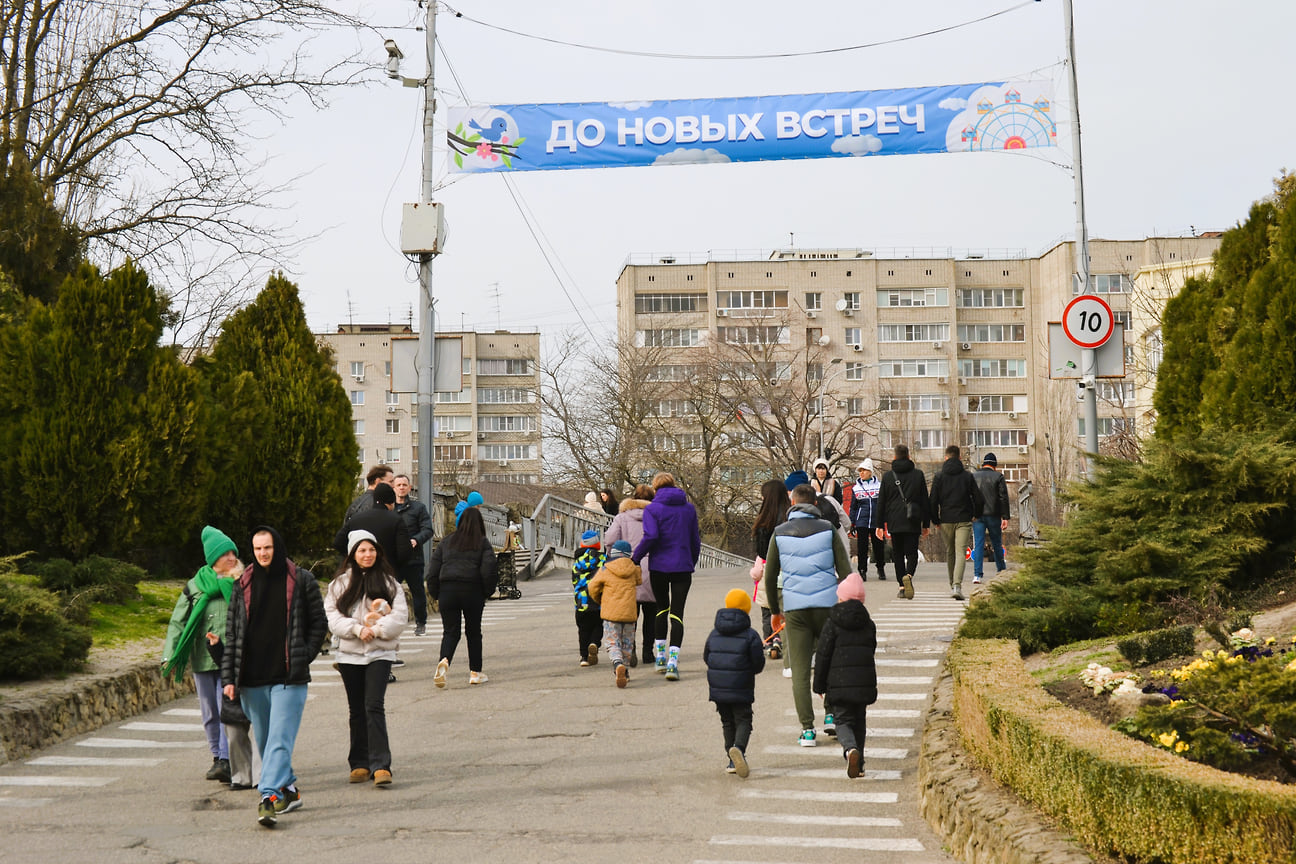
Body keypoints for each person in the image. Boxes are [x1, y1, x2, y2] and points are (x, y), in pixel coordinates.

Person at [221, 526, 327, 828]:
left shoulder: (301, 580)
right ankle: (289, 790)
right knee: (267, 743)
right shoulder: (243, 583)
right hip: (252, 679)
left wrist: (303, 655)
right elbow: (233, 634)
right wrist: (229, 677)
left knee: (280, 738)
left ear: (277, 547)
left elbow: (318, 623)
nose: (263, 553)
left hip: (288, 679)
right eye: (257, 549)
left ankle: (267, 797)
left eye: (267, 547)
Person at [763, 483, 853, 747]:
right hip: (827, 606)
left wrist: (775, 610)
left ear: (792, 504)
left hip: (795, 608)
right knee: (830, 664)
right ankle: (831, 715)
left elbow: (770, 576)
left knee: (800, 671)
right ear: (815, 504)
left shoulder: (779, 533)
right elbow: (845, 570)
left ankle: (807, 731)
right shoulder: (828, 530)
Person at [324, 530, 407, 786]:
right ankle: (359, 762)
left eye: (371, 550)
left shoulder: (389, 582)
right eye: (361, 550)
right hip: (349, 654)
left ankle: (381, 765)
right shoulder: (339, 584)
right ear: (352, 554)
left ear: (377, 552)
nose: (367, 555)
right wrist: (357, 629)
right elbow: (332, 616)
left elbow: (400, 616)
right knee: (356, 709)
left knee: (374, 705)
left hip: (380, 653)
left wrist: (378, 630)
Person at [162, 525, 243, 785]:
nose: (231, 558)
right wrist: (169, 654)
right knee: (209, 710)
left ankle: (225, 760)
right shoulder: (195, 587)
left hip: (229, 657)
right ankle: (217, 756)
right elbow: (178, 622)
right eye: (225, 554)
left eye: (233, 553)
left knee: (225, 707)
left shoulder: (241, 582)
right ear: (213, 558)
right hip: (201, 656)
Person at [631, 472, 701, 681]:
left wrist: (635, 558)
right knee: (677, 614)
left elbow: (651, 536)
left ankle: (660, 657)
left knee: (661, 609)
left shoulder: (652, 509)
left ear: (655, 488)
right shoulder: (689, 509)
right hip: (682, 567)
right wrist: (691, 561)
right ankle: (673, 662)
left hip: (659, 567)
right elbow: (695, 540)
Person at [812, 572, 878, 779]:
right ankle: (860, 765)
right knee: (860, 722)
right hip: (863, 683)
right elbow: (871, 651)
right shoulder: (868, 624)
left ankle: (850, 750)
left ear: (840, 597)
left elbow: (823, 655)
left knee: (842, 721)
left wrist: (819, 685)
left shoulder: (832, 623)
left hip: (838, 684)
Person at [426, 506, 498, 688]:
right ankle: (475, 672)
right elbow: (488, 569)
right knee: (473, 632)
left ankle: (444, 661)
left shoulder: (446, 541)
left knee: (450, 632)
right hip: (472, 591)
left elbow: (433, 570)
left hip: (447, 591)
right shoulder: (482, 543)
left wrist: (436, 593)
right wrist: (486, 592)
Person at [703, 588, 766, 778]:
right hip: (741, 687)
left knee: (727, 721)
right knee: (744, 719)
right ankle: (738, 749)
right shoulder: (750, 635)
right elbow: (758, 663)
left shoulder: (714, 633)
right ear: (746, 610)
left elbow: (707, 657)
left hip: (718, 688)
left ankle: (731, 760)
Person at [603, 483, 657, 667]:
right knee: (651, 614)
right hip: (652, 568)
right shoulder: (656, 516)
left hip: (628, 569)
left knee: (630, 614)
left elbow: (609, 539)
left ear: (633, 497)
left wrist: (612, 558)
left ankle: (630, 649)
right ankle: (648, 652)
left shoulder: (621, 517)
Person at [928, 445, 985, 602]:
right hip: (964, 520)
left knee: (950, 552)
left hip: (946, 520)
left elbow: (932, 500)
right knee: (961, 552)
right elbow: (979, 498)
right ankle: (957, 586)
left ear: (946, 458)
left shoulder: (939, 477)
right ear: (959, 458)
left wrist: (935, 520)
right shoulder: (967, 476)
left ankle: (952, 583)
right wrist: (976, 515)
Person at [875, 444, 930, 600]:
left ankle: (901, 586)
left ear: (894, 457)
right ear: (909, 456)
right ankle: (909, 576)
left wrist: (879, 525)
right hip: (912, 520)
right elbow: (925, 500)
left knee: (898, 554)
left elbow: (881, 502)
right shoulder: (918, 475)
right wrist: (926, 523)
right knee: (912, 553)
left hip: (894, 520)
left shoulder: (888, 476)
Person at [587, 540, 642, 688]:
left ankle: (617, 664)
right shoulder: (634, 569)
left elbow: (592, 587)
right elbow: (639, 580)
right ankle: (626, 670)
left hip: (611, 614)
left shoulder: (606, 569)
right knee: (627, 643)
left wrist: (600, 600)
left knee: (613, 642)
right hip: (630, 614)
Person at [750, 479, 789, 659]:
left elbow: (761, 551)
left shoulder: (763, 522)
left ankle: (770, 640)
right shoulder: (790, 518)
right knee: (786, 608)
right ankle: (785, 639)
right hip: (789, 568)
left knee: (767, 608)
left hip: (769, 569)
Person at [392, 474, 435, 636]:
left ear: (409, 488)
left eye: (404, 484)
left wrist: (416, 540)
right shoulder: (389, 508)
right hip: (394, 560)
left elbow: (428, 530)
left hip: (413, 559)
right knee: (390, 593)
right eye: (399, 485)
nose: (402, 487)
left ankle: (421, 623)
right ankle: (389, 623)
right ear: (394, 488)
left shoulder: (418, 508)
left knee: (417, 592)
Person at [334, 482, 411, 569]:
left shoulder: (356, 518)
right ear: (391, 502)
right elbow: (405, 552)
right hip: (386, 569)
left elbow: (338, 542)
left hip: (359, 570)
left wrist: (355, 556)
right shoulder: (396, 520)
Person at [972, 453, 1012, 585]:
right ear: (994, 465)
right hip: (994, 515)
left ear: (984, 463)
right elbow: (1003, 497)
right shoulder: (998, 476)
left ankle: (977, 575)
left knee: (978, 544)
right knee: (996, 543)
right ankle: (1001, 571)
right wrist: (1005, 517)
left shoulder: (974, 476)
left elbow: (970, 496)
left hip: (977, 516)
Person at [847, 459, 887, 581]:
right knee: (862, 547)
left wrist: (884, 519)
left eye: (864, 470)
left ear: (870, 472)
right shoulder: (856, 488)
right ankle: (862, 570)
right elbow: (853, 507)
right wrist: (852, 523)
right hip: (862, 522)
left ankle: (880, 568)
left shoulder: (879, 486)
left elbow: (884, 504)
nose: (862, 473)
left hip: (876, 521)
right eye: (860, 471)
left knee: (879, 547)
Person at [570, 529, 605, 667]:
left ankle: (584, 657)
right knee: (598, 625)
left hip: (581, 602)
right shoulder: (603, 559)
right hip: (598, 600)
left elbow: (574, 582)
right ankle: (594, 643)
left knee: (583, 629)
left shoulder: (577, 562)